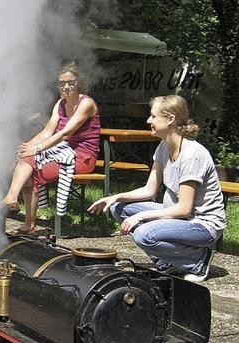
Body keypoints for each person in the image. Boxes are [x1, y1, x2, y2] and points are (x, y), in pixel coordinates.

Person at [88, 95, 225, 283]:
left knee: (144, 234)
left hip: (201, 224)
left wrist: (140, 216)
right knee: (118, 208)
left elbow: (184, 209)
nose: (148, 121)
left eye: (153, 117)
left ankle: (196, 261)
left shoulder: (192, 155)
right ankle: (166, 261)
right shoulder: (163, 146)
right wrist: (114, 197)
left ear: (170, 120)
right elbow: (149, 190)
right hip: (178, 216)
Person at [1, 63, 100, 235]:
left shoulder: (87, 103)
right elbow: (47, 131)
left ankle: (18, 207)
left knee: (32, 167)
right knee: (26, 160)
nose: (66, 87)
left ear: (79, 83)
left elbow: (64, 133)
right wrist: (28, 147)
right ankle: (20, 212)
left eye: (71, 82)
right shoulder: (60, 104)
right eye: (61, 83)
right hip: (62, 150)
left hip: (83, 157)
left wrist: (37, 149)